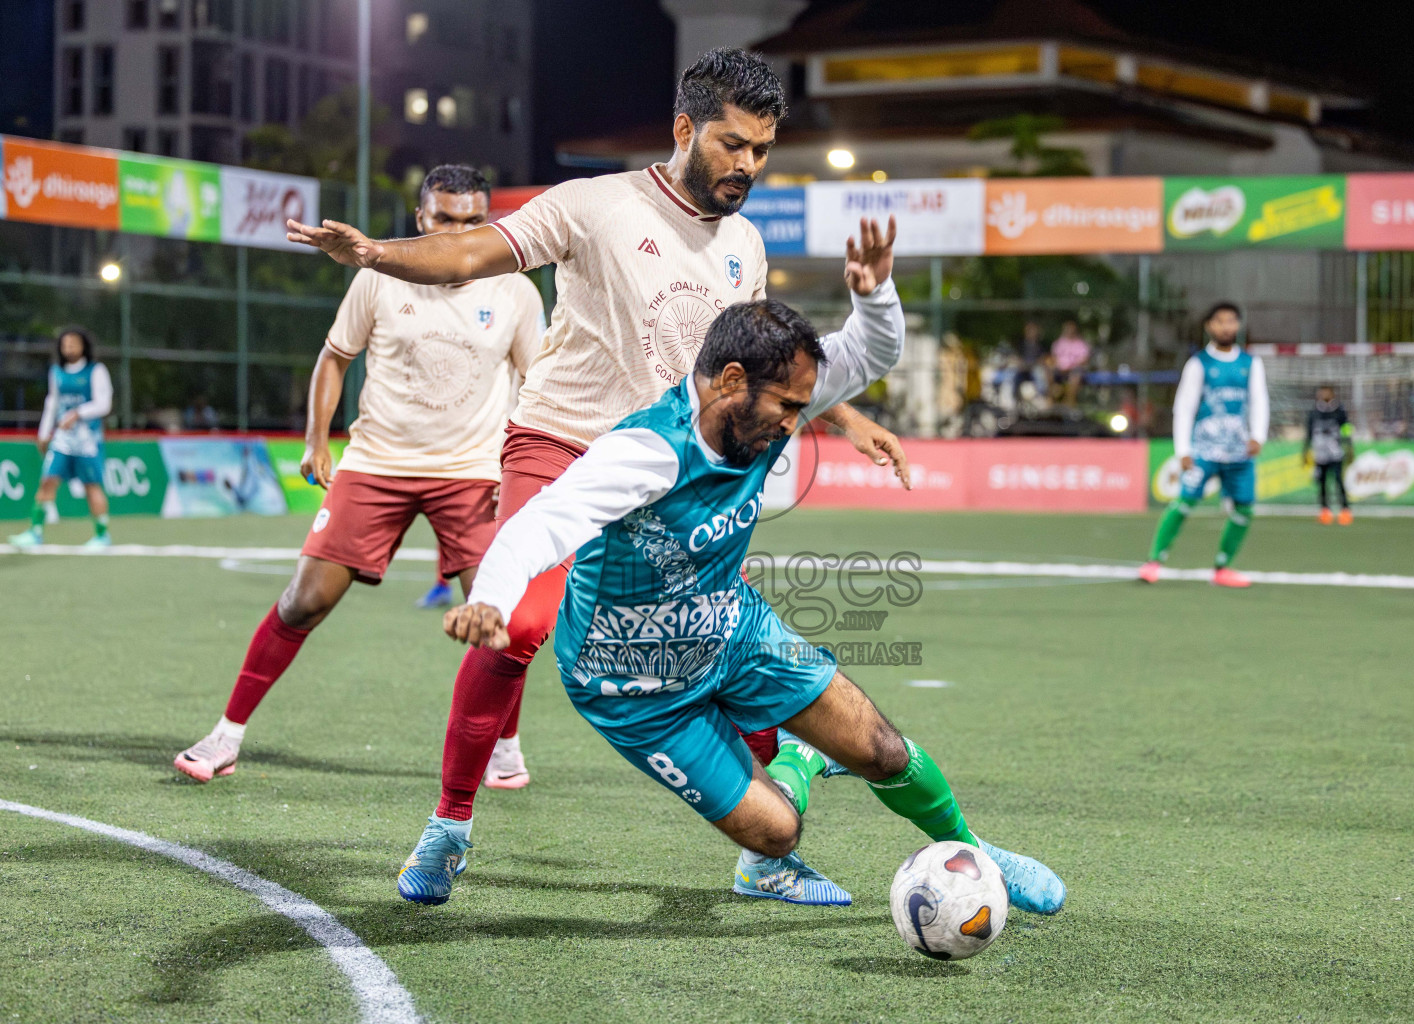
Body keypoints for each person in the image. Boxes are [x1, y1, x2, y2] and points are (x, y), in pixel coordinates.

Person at [286, 48, 909, 835]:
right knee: (518, 626)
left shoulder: (745, 243)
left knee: (714, 636)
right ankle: (450, 826)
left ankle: (765, 847)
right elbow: (475, 253)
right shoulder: (591, 204)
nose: (747, 164)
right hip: (561, 439)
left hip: (667, 468)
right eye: (732, 144)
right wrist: (378, 254)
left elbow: (751, 366)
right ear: (684, 129)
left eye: (760, 150)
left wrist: (846, 416)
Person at [405, 240, 1065, 924]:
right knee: (777, 833)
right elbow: (541, 523)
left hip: (734, 631)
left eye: (801, 405)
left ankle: (974, 851)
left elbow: (871, 353)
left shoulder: (766, 406)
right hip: (634, 687)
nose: (793, 422)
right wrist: (490, 599)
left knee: (882, 749)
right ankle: (801, 767)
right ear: (728, 381)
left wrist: (874, 295)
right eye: (785, 406)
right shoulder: (647, 452)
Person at [173, 165, 545, 784]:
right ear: (421, 219)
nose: (458, 231)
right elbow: (334, 357)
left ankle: (505, 747)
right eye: (445, 219)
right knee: (305, 599)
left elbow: (537, 386)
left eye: (472, 221)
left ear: (488, 222)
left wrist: (522, 469)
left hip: (474, 474)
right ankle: (226, 736)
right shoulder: (378, 277)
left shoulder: (516, 292)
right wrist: (318, 440)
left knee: (500, 616)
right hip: (376, 464)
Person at [1139, 302, 1268, 588]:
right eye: (1220, 321)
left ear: (1239, 325)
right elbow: (1184, 407)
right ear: (1209, 326)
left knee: (1244, 509)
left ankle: (1223, 567)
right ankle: (1153, 562)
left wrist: (1258, 435)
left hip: (1239, 452)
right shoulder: (1199, 364)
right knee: (1184, 503)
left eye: (1231, 321)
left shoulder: (1251, 363)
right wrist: (1183, 450)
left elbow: (1259, 401)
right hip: (1204, 452)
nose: (1226, 327)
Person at [8, 327, 114, 550]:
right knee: (47, 481)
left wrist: (78, 414)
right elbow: (52, 403)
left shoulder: (96, 371)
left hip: (87, 443)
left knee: (91, 486)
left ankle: (102, 535)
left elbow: (104, 404)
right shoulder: (56, 372)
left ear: (83, 345)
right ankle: (35, 532)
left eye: (73, 343)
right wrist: (44, 433)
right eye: (65, 344)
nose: (69, 348)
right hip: (62, 441)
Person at [1303, 384, 1353, 525]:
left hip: (1336, 453)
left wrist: (1349, 447)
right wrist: (1305, 451)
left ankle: (1345, 510)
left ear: (1332, 393)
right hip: (1320, 454)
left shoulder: (1339, 410)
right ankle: (1325, 510)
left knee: (1338, 481)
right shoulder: (1314, 411)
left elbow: (1346, 430)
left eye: (1326, 392)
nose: (1323, 394)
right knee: (1322, 483)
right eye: (1321, 392)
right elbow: (1309, 433)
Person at [1050, 320, 1091, 408]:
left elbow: (1085, 359)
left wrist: (1070, 366)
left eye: (1071, 330)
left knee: (1075, 378)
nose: (1069, 331)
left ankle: (1069, 404)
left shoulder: (1081, 344)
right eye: (1067, 329)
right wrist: (1058, 366)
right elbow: (1053, 358)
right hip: (1059, 369)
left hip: (1074, 369)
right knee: (1048, 374)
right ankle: (1050, 403)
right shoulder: (1059, 343)